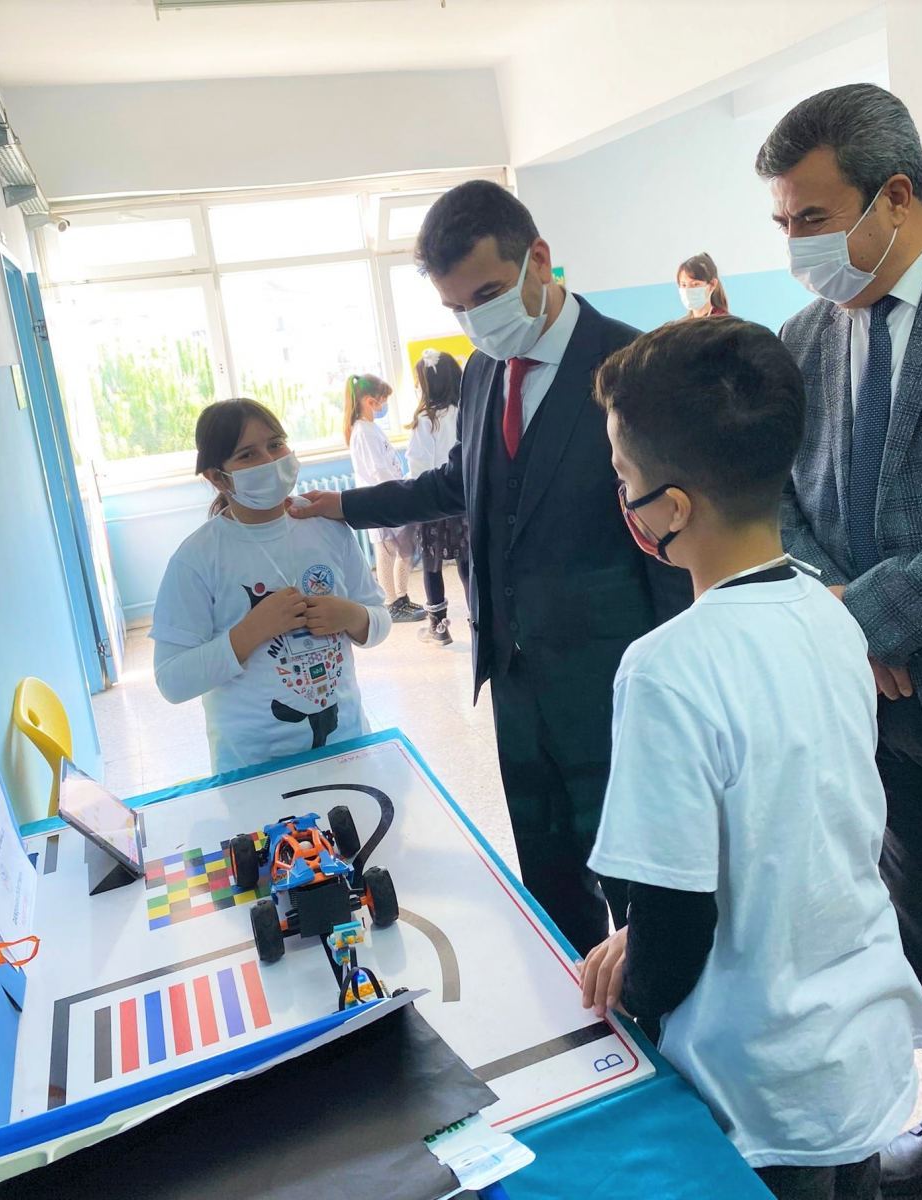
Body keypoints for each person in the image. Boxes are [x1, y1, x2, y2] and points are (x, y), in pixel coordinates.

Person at [580, 317, 922, 1200]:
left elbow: (674, 924)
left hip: (754, 1084)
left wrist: (637, 979)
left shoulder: (665, 669)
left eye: (623, 477)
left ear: (670, 510)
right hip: (855, 1049)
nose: (622, 496)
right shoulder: (832, 616)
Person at [291, 180, 693, 956]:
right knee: (549, 876)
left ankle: (652, 1014)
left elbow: (678, 536)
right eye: (455, 308)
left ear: (538, 260)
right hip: (513, 676)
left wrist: (682, 680)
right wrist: (345, 506)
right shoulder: (482, 371)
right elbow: (461, 483)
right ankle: (578, 1002)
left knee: (638, 886)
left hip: (613, 681)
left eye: (486, 295)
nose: (474, 320)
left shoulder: (635, 365)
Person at [755, 83, 922, 1198]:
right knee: (921, 923)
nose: (796, 247)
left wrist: (868, 614)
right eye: (781, 223)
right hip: (875, 711)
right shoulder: (804, 338)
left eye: (811, 219)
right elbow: (776, 501)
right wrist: (835, 607)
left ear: (893, 196)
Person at [150, 398, 390, 774]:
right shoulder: (197, 558)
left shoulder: (327, 526)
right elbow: (172, 681)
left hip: (346, 746)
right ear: (218, 477)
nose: (269, 460)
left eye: (276, 444)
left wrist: (352, 616)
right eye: (247, 455)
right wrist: (250, 632)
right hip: (253, 767)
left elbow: (380, 620)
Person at [344, 373, 426, 624]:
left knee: (403, 550)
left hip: (388, 496)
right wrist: (398, 492)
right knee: (387, 552)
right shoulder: (363, 431)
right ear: (370, 401)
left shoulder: (369, 427)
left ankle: (401, 597)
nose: (384, 405)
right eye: (383, 400)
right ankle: (392, 602)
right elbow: (378, 470)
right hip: (381, 498)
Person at [406, 348, 470, 647]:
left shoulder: (424, 419)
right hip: (463, 499)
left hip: (433, 501)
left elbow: (416, 463)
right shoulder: (464, 411)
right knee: (467, 562)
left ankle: (439, 627)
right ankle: (477, 617)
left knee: (432, 565)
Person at [676, 251, 729, 318]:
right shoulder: (683, 323)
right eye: (684, 285)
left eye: (695, 284)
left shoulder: (725, 322)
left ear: (712, 284)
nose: (687, 290)